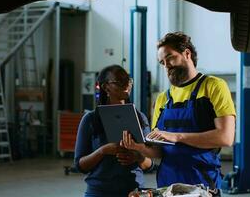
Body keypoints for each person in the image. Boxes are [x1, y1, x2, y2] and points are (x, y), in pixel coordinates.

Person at [121, 32, 236, 197]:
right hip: (167, 186)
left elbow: (225, 137)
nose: (166, 65)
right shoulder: (162, 99)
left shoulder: (213, 87)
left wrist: (176, 137)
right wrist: (138, 148)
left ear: (187, 53)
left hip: (202, 185)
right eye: (162, 62)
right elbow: (159, 151)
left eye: (170, 58)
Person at [74, 65, 154, 197]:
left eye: (128, 80)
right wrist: (102, 151)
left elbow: (149, 164)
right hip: (99, 191)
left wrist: (137, 156)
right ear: (106, 87)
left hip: (134, 191)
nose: (126, 85)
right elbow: (80, 165)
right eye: (119, 81)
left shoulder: (140, 118)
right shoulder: (91, 120)